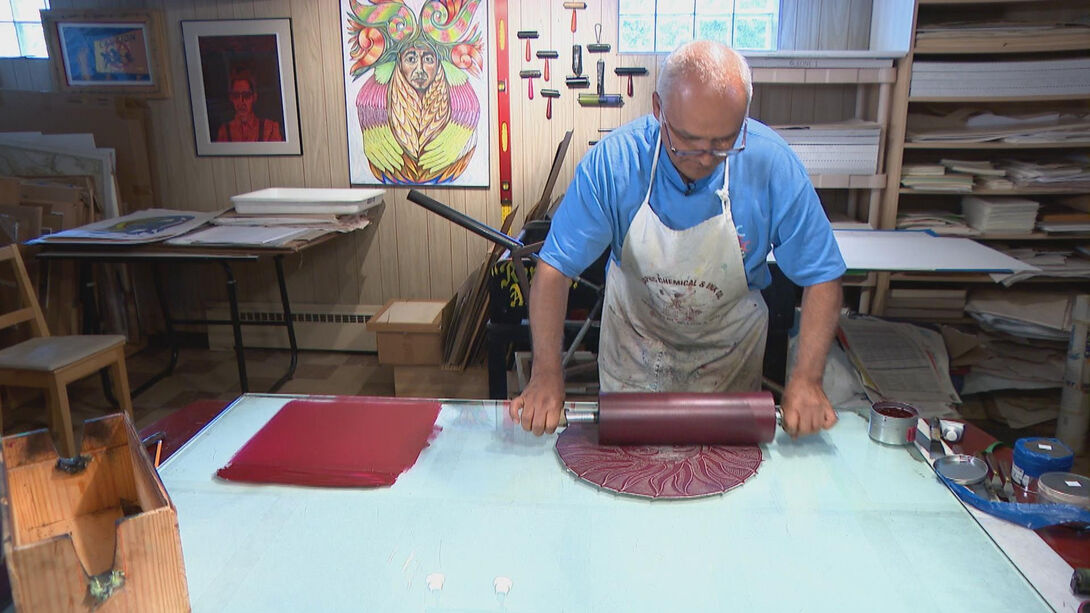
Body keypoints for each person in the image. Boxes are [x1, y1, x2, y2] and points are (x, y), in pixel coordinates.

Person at [510, 40, 846, 439]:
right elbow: (554, 269)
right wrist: (546, 374)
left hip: (728, 361)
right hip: (635, 352)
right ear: (658, 110)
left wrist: (807, 379)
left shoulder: (773, 166)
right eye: (687, 141)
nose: (705, 157)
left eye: (724, 142)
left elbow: (822, 275)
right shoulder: (615, 164)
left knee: (721, 482)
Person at [215, 67, 284, 143]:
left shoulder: (270, 128)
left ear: (254, 97)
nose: (241, 102)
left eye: (246, 95)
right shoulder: (224, 132)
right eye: (236, 96)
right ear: (231, 98)